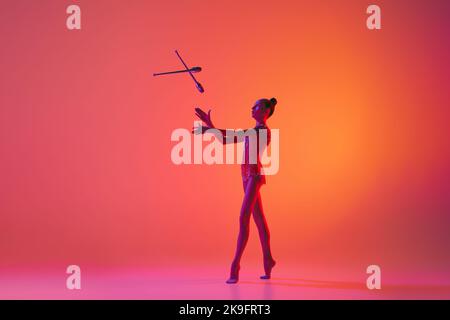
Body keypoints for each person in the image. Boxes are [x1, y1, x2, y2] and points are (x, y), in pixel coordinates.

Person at [193, 98, 277, 284]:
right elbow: (225, 140)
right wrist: (211, 125)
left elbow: (231, 136)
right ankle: (268, 259)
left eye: (256, 106)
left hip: (254, 176)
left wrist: (210, 129)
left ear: (265, 110)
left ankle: (235, 265)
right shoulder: (253, 131)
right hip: (245, 176)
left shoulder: (262, 131)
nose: (252, 108)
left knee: (243, 217)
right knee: (260, 220)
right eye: (252, 106)